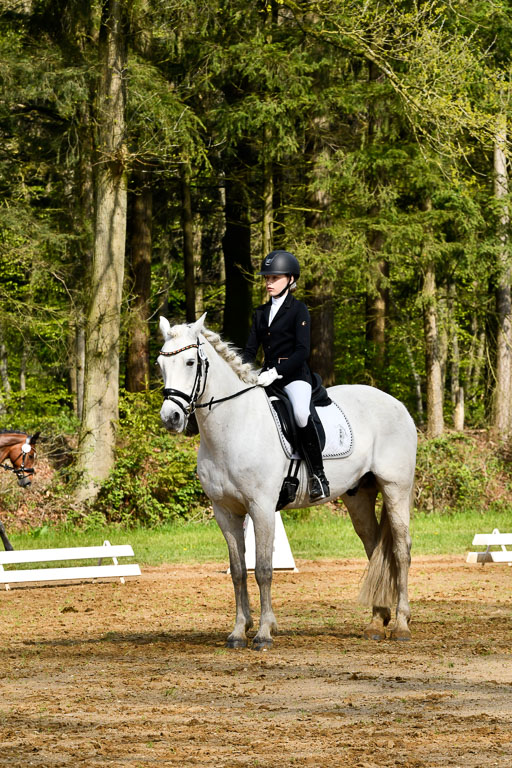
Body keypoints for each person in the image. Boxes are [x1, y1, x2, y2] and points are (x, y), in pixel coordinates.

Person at [242, 249, 330, 501]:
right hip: (265, 376)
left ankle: (319, 476)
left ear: (290, 280)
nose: (269, 283)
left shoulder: (299, 310)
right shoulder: (260, 313)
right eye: (267, 278)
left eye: (275, 278)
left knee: (301, 413)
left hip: (294, 376)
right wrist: (243, 372)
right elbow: (249, 350)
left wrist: (277, 372)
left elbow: (302, 351)